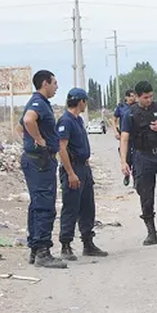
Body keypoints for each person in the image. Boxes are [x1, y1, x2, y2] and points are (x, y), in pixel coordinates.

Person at [120, 81, 157, 246]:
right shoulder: (130, 114)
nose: (149, 100)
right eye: (146, 97)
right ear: (138, 97)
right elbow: (124, 138)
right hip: (142, 157)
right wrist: (124, 161)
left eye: (151, 96)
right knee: (146, 194)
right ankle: (151, 231)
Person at [20, 70, 66, 268]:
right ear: (45, 83)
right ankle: (42, 252)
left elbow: (21, 127)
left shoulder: (39, 103)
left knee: (37, 204)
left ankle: (34, 248)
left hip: (37, 161)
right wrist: (39, 140)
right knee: (44, 206)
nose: (56, 86)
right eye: (54, 83)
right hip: (40, 162)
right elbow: (28, 121)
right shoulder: (38, 102)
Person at [57, 88, 108, 260]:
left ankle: (88, 242)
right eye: (85, 101)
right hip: (73, 168)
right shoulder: (66, 121)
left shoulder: (77, 120)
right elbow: (61, 148)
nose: (86, 104)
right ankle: (65, 245)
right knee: (71, 206)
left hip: (84, 168)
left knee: (87, 207)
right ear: (81, 102)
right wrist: (71, 173)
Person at [114, 90, 137, 185]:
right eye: (131, 96)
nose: (132, 98)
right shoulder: (121, 107)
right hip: (124, 135)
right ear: (126, 97)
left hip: (135, 135)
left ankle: (136, 179)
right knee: (126, 157)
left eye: (134, 96)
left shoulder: (137, 107)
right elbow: (114, 119)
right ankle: (127, 175)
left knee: (136, 157)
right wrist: (115, 131)